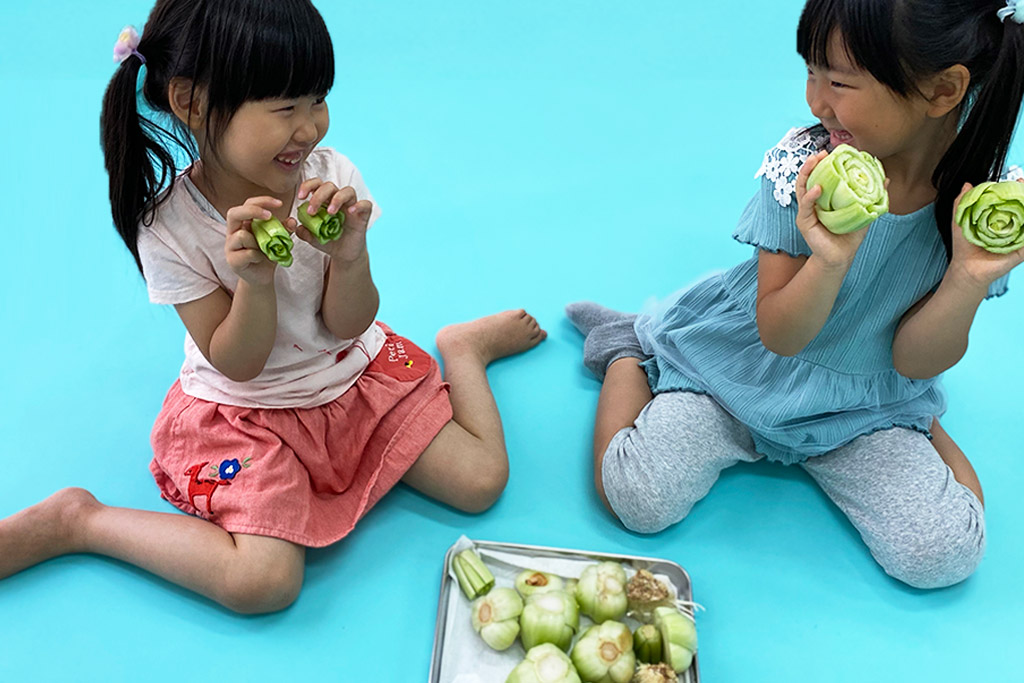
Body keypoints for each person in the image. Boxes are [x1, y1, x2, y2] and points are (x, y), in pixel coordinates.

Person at [0, 0, 545, 613]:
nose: (311, 127)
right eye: (286, 107)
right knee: (263, 583)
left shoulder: (331, 176)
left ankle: (462, 349)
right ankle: (80, 521)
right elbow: (238, 363)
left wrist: (350, 256)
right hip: (248, 409)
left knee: (480, 481)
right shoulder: (169, 227)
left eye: (318, 99)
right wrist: (254, 284)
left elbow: (348, 322)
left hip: (349, 374)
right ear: (192, 103)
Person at [567, 0, 1024, 589]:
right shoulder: (804, 165)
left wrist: (966, 277)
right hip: (741, 374)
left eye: (837, 81)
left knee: (944, 554)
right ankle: (629, 348)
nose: (815, 101)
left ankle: (921, 420)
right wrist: (831, 259)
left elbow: (915, 360)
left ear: (943, 91)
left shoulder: (981, 202)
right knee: (640, 499)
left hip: (867, 403)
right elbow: (779, 333)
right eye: (811, 73)